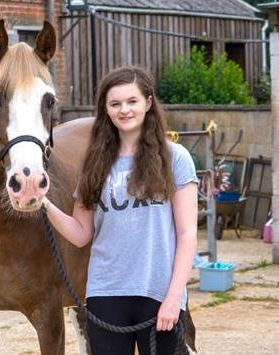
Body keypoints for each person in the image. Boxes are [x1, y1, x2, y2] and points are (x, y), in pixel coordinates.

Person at [42, 67, 197, 355]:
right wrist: (42, 202)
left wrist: (174, 297)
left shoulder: (175, 158)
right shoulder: (94, 164)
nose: (124, 110)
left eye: (132, 101)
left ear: (148, 103)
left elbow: (187, 235)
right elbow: (80, 233)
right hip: (106, 294)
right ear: (106, 110)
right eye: (115, 104)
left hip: (159, 293)